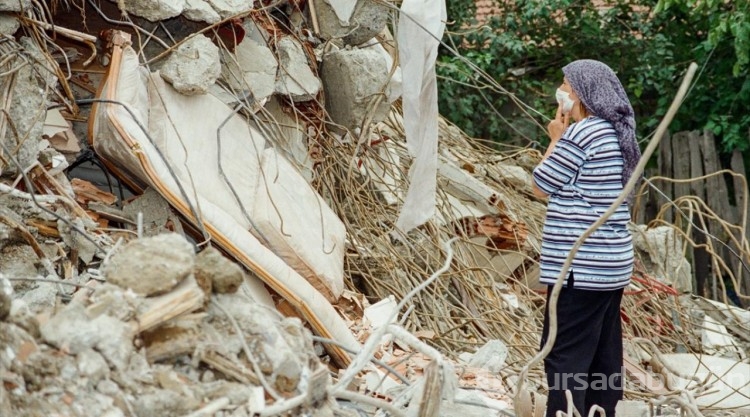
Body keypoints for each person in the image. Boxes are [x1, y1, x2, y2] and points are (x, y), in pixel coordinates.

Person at [532, 59, 641, 417]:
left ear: (579, 93)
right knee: (602, 354)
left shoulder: (584, 133)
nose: (561, 92)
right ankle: (601, 411)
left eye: (565, 85)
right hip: (610, 265)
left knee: (564, 353)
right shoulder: (616, 132)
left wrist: (555, 140)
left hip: (579, 266)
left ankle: (563, 413)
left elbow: (540, 186)